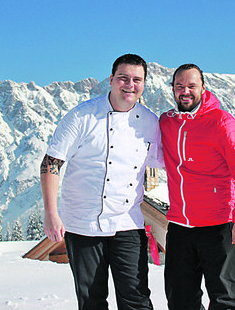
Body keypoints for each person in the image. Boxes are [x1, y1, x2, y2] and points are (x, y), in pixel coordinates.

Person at [40, 53, 161, 310]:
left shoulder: (150, 122)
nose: (129, 84)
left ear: (144, 84)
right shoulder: (82, 116)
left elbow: (172, 163)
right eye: (123, 78)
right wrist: (51, 213)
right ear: (111, 79)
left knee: (136, 298)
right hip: (82, 223)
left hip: (127, 222)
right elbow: (51, 163)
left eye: (137, 79)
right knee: (91, 300)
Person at [159, 63, 235, 310]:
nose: (185, 91)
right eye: (179, 86)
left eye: (192, 86)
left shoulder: (221, 122)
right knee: (180, 299)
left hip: (217, 227)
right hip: (180, 227)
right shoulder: (167, 122)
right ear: (172, 88)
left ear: (203, 88)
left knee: (224, 299)